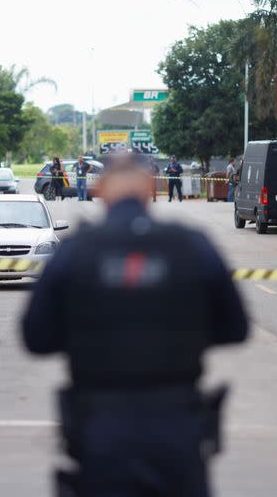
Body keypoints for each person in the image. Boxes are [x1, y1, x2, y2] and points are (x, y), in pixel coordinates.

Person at [20, 154, 249, 497]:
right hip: (176, 425)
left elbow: (35, 338)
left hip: (100, 428)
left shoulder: (76, 252)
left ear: (103, 191)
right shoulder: (190, 245)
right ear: (147, 188)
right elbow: (236, 328)